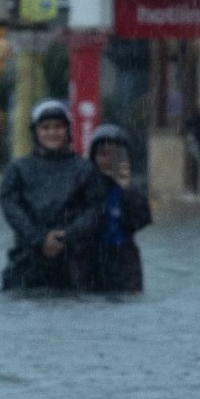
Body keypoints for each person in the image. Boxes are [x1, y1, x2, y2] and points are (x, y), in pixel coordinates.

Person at [0, 98, 90, 291]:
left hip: (73, 263)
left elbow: (94, 209)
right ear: (36, 132)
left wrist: (68, 235)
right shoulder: (18, 169)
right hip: (26, 261)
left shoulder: (84, 169)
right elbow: (11, 207)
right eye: (45, 127)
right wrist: (39, 238)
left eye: (58, 127)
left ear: (67, 130)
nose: (52, 133)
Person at [63, 124, 153, 294]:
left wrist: (126, 189)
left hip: (124, 260)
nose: (109, 160)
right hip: (90, 260)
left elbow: (141, 221)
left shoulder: (131, 189)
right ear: (93, 157)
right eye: (103, 154)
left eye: (117, 154)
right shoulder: (82, 187)